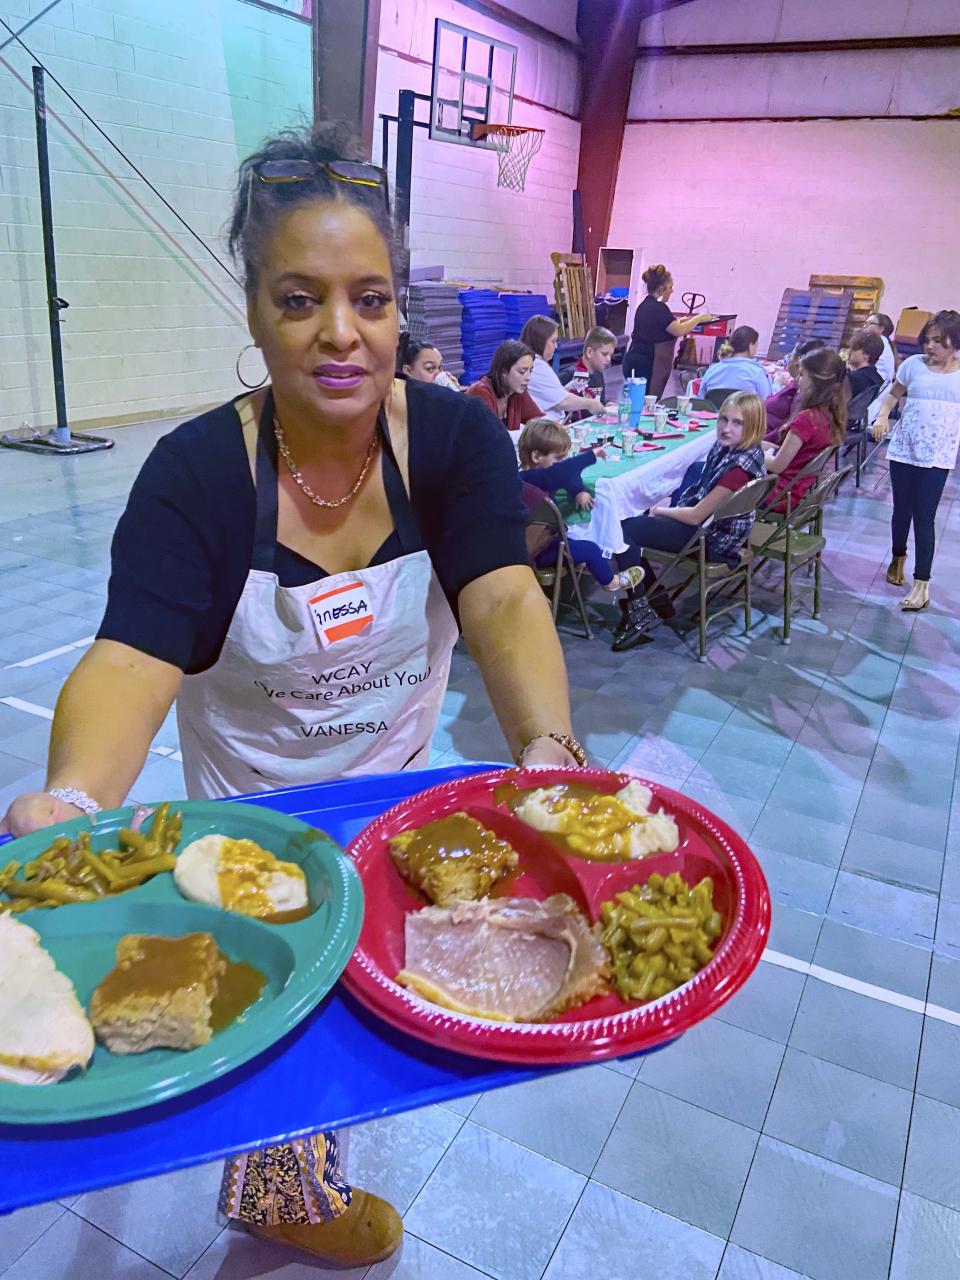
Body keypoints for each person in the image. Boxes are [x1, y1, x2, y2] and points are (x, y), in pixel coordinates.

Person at [1, 121, 585, 1269]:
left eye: (369, 298)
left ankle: (296, 1172)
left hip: (394, 800)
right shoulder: (198, 475)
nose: (339, 334)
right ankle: (281, 1196)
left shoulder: (459, 441)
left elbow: (506, 600)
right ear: (256, 307)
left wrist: (550, 744)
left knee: (378, 1017)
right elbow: (130, 657)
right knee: (283, 1025)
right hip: (255, 823)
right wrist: (71, 799)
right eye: (299, 298)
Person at [612, 392, 768, 650]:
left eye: (737, 423)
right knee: (632, 522)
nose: (726, 428)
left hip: (713, 540)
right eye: (724, 419)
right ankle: (656, 597)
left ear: (752, 426)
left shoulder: (739, 470)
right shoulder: (733, 449)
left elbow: (697, 515)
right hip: (709, 528)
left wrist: (659, 511)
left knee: (623, 530)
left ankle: (638, 612)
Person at [872, 309, 960, 611]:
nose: (930, 346)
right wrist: (882, 416)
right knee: (902, 510)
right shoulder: (913, 365)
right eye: (928, 340)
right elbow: (893, 395)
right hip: (904, 450)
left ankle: (922, 584)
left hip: (937, 457)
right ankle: (898, 555)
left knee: (925, 517)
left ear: (955, 343)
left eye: (938, 341)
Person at [518, 420, 644, 593]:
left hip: (533, 542)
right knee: (590, 549)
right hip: (538, 549)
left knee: (577, 542)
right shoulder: (537, 477)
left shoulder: (523, 476)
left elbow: (565, 475)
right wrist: (591, 455)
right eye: (558, 458)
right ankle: (611, 582)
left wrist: (578, 490)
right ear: (536, 456)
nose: (562, 462)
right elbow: (564, 471)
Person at [763, 348, 847, 510]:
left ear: (815, 381)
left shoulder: (807, 419)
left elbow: (777, 466)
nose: (797, 379)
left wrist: (751, 453)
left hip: (777, 492)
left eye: (802, 375)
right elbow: (788, 453)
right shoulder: (828, 415)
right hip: (794, 490)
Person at [622, 264, 714, 397]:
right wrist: (698, 318)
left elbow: (672, 324)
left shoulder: (648, 305)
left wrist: (686, 320)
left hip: (638, 360)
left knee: (641, 400)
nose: (672, 291)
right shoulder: (658, 308)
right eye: (670, 288)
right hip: (646, 364)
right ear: (661, 289)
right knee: (646, 401)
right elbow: (678, 330)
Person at [519, 314, 615, 421]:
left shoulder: (537, 364)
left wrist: (565, 389)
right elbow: (562, 402)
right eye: (553, 341)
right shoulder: (536, 366)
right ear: (540, 340)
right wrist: (590, 404)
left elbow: (549, 395)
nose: (556, 346)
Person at [466, 339, 541, 433]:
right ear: (503, 371)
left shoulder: (518, 391)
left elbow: (538, 420)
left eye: (530, 371)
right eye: (522, 371)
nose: (528, 377)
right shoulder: (480, 392)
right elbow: (488, 436)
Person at [764, 338, 828, 438]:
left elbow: (783, 433)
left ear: (798, 362)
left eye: (791, 355)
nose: (788, 359)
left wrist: (757, 440)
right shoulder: (799, 388)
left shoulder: (803, 395)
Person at [699, 326, 773, 399]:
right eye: (756, 345)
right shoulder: (757, 372)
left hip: (716, 411)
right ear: (750, 346)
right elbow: (767, 401)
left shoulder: (712, 370)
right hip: (746, 411)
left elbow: (701, 401)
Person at [563, 325, 617, 407]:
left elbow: (600, 401)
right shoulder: (568, 375)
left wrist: (607, 404)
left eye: (610, 355)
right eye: (604, 354)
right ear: (590, 352)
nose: (609, 359)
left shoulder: (598, 374)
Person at [845, 329, 884, 400]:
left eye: (853, 348)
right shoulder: (880, 381)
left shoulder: (851, 379)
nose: (849, 351)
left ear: (866, 354)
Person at [865, 312, 897, 383]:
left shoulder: (877, 343)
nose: (865, 326)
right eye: (865, 323)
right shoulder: (885, 341)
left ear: (881, 328)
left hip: (876, 384)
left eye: (870, 323)